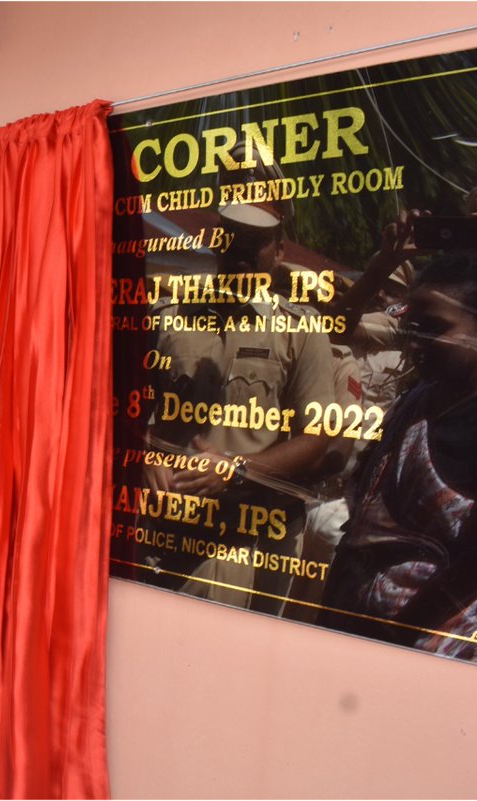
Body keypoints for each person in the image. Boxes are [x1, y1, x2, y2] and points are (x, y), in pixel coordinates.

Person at [318, 249, 477, 648]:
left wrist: (405, 628)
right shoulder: (422, 395)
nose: (415, 342)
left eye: (435, 328)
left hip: (431, 638)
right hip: (356, 622)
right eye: (412, 325)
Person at [144, 198, 336, 613]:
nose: (242, 252)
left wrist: (235, 470)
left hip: (240, 542)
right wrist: (144, 453)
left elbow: (317, 437)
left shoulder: (299, 331)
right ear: (216, 242)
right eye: (233, 237)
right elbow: (119, 408)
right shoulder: (168, 318)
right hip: (157, 528)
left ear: (279, 252)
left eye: (257, 242)